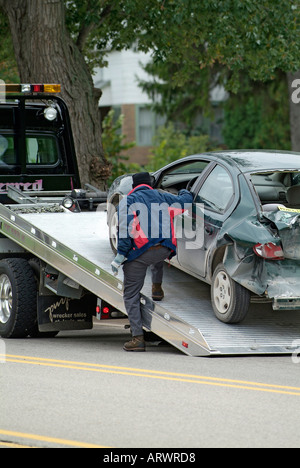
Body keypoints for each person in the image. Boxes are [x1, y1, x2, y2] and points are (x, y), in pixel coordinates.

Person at [111, 172, 193, 352]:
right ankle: (157, 287)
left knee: (131, 294)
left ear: (134, 186)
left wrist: (121, 255)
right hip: (165, 249)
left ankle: (137, 338)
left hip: (140, 253)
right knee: (156, 252)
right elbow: (185, 203)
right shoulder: (163, 196)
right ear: (150, 185)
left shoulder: (127, 201)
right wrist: (185, 192)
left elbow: (125, 231)